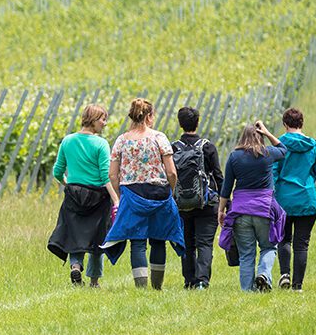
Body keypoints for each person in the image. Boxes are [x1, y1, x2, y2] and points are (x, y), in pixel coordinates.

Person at [103, 98, 185, 289]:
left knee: (137, 242)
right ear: (149, 116)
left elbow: (112, 174)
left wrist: (121, 194)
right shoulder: (159, 138)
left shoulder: (122, 140)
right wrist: (171, 191)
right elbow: (172, 172)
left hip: (132, 192)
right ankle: (157, 287)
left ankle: (141, 287)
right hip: (159, 192)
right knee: (158, 239)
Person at [48, 105, 123, 287]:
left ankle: (75, 265)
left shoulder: (67, 141)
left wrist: (69, 185)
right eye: (102, 119)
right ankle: (94, 281)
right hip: (98, 197)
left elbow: (57, 171)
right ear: (92, 119)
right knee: (98, 239)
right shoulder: (100, 144)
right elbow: (105, 175)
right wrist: (115, 199)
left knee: (75, 234)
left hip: (74, 194)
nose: (104, 123)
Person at [218, 121, 287, 292]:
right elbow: (284, 150)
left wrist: (221, 210)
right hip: (264, 210)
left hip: (240, 211)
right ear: (260, 136)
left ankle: (247, 291)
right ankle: (263, 274)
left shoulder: (234, 157)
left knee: (246, 254)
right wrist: (268, 132)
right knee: (268, 247)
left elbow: (226, 187)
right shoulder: (267, 153)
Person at [274, 108, 316, 292]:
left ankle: (285, 274)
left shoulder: (279, 145)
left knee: (283, 239)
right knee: (302, 244)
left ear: (285, 124)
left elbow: (273, 173)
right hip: (307, 201)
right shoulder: (313, 146)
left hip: (283, 200)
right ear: (302, 123)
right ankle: (297, 287)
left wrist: (270, 197)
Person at [172, 106, 223, 289]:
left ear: (180, 123)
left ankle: (189, 280)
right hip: (207, 203)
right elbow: (218, 176)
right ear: (197, 122)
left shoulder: (174, 148)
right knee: (204, 243)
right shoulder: (207, 146)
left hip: (182, 204)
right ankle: (202, 280)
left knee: (187, 242)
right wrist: (225, 203)